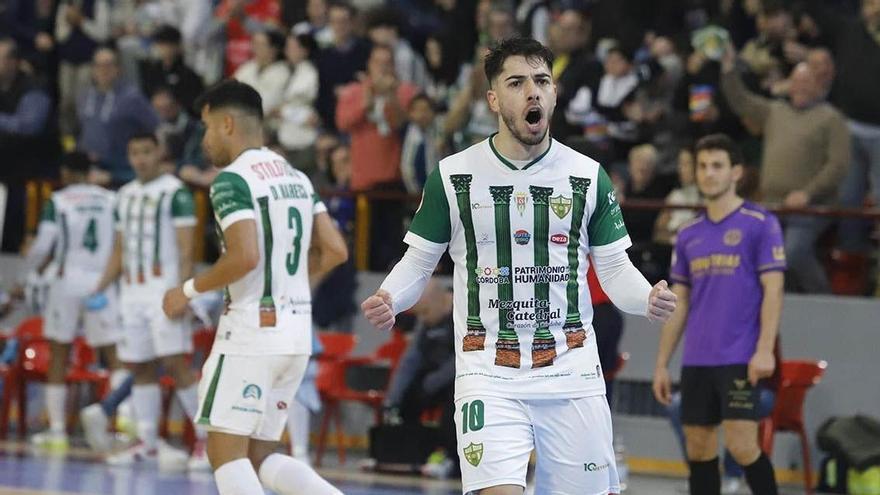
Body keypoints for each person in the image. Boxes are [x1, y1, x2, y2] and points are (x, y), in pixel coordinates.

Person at [361, 37, 677, 495]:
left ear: (553, 94)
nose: (532, 91)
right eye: (517, 82)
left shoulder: (589, 176)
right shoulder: (453, 176)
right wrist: (392, 296)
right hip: (488, 373)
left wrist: (646, 296)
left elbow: (614, 269)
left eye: (542, 81)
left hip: (572, 375)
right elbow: (419, 261)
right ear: (493, 99)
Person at [161, 80, 347, 495]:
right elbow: (335, 250)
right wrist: (293, 279)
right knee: (262, 457)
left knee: (225, 455)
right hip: (295, 336)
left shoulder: (231, 180)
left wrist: (187, 290)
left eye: (207, 128)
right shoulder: (296, 176)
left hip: (250, 334)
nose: (205, 140)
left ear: (227, 124)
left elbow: (244, 256)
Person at [652, 134, 785, 495]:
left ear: (736, 172)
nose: (709, 174)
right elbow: (679, 301)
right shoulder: (688, 234)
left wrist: (764, 349)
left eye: (717, 166)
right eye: (703, 166)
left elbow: (773, 291)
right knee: (699, 449)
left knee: (742, 446)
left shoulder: (760, 223)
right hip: (697, 359)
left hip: (741, 357)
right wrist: (663, 362)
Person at [87, 133, 207, 469]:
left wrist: (183, 293)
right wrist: (100, 287)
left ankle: (206, 441)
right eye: (134, 153)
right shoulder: (123, 195)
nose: (140, 159)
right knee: (139, 365)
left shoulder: (176, 192)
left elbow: (187, 250)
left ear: (159, 153)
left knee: (175, 363)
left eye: (146, 152)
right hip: (132, 294)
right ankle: (148, 442)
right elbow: (119, 249)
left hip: (164, 292)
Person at [18, 152, 127, 453]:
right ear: (90, 172)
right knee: (114, 355)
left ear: (65, 172)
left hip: (66, 282)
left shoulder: (59, 201)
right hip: (102, 282)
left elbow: (44, 245)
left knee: (58, 353)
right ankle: (119, 425)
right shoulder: (111, 199)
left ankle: (57, 432)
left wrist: (29, 272)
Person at [721, 44, 849, 293]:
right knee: (745, 249)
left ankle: (824, 300)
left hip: (812, 206)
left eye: (806, 82)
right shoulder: (775, 111)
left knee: (793, 251)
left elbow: (838, 165)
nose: (799, 87)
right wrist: (728, 70)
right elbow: (741, 101)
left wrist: (807, 194)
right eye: (796, 82)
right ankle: (771, 303)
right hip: (771, 203)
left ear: (818, 86)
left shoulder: (831, 118)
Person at [382, 278, 457, 478]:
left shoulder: (463, 312)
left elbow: (461, 359)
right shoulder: (424, 322)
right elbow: (409, 361)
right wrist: (393, 398)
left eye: (425, 313)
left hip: (459, 376)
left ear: (441, 301)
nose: (422, 319)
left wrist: (431, 383)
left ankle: (450, 458)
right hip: (432, 376)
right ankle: (411, 455)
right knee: (408, 397)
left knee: (455, 400)